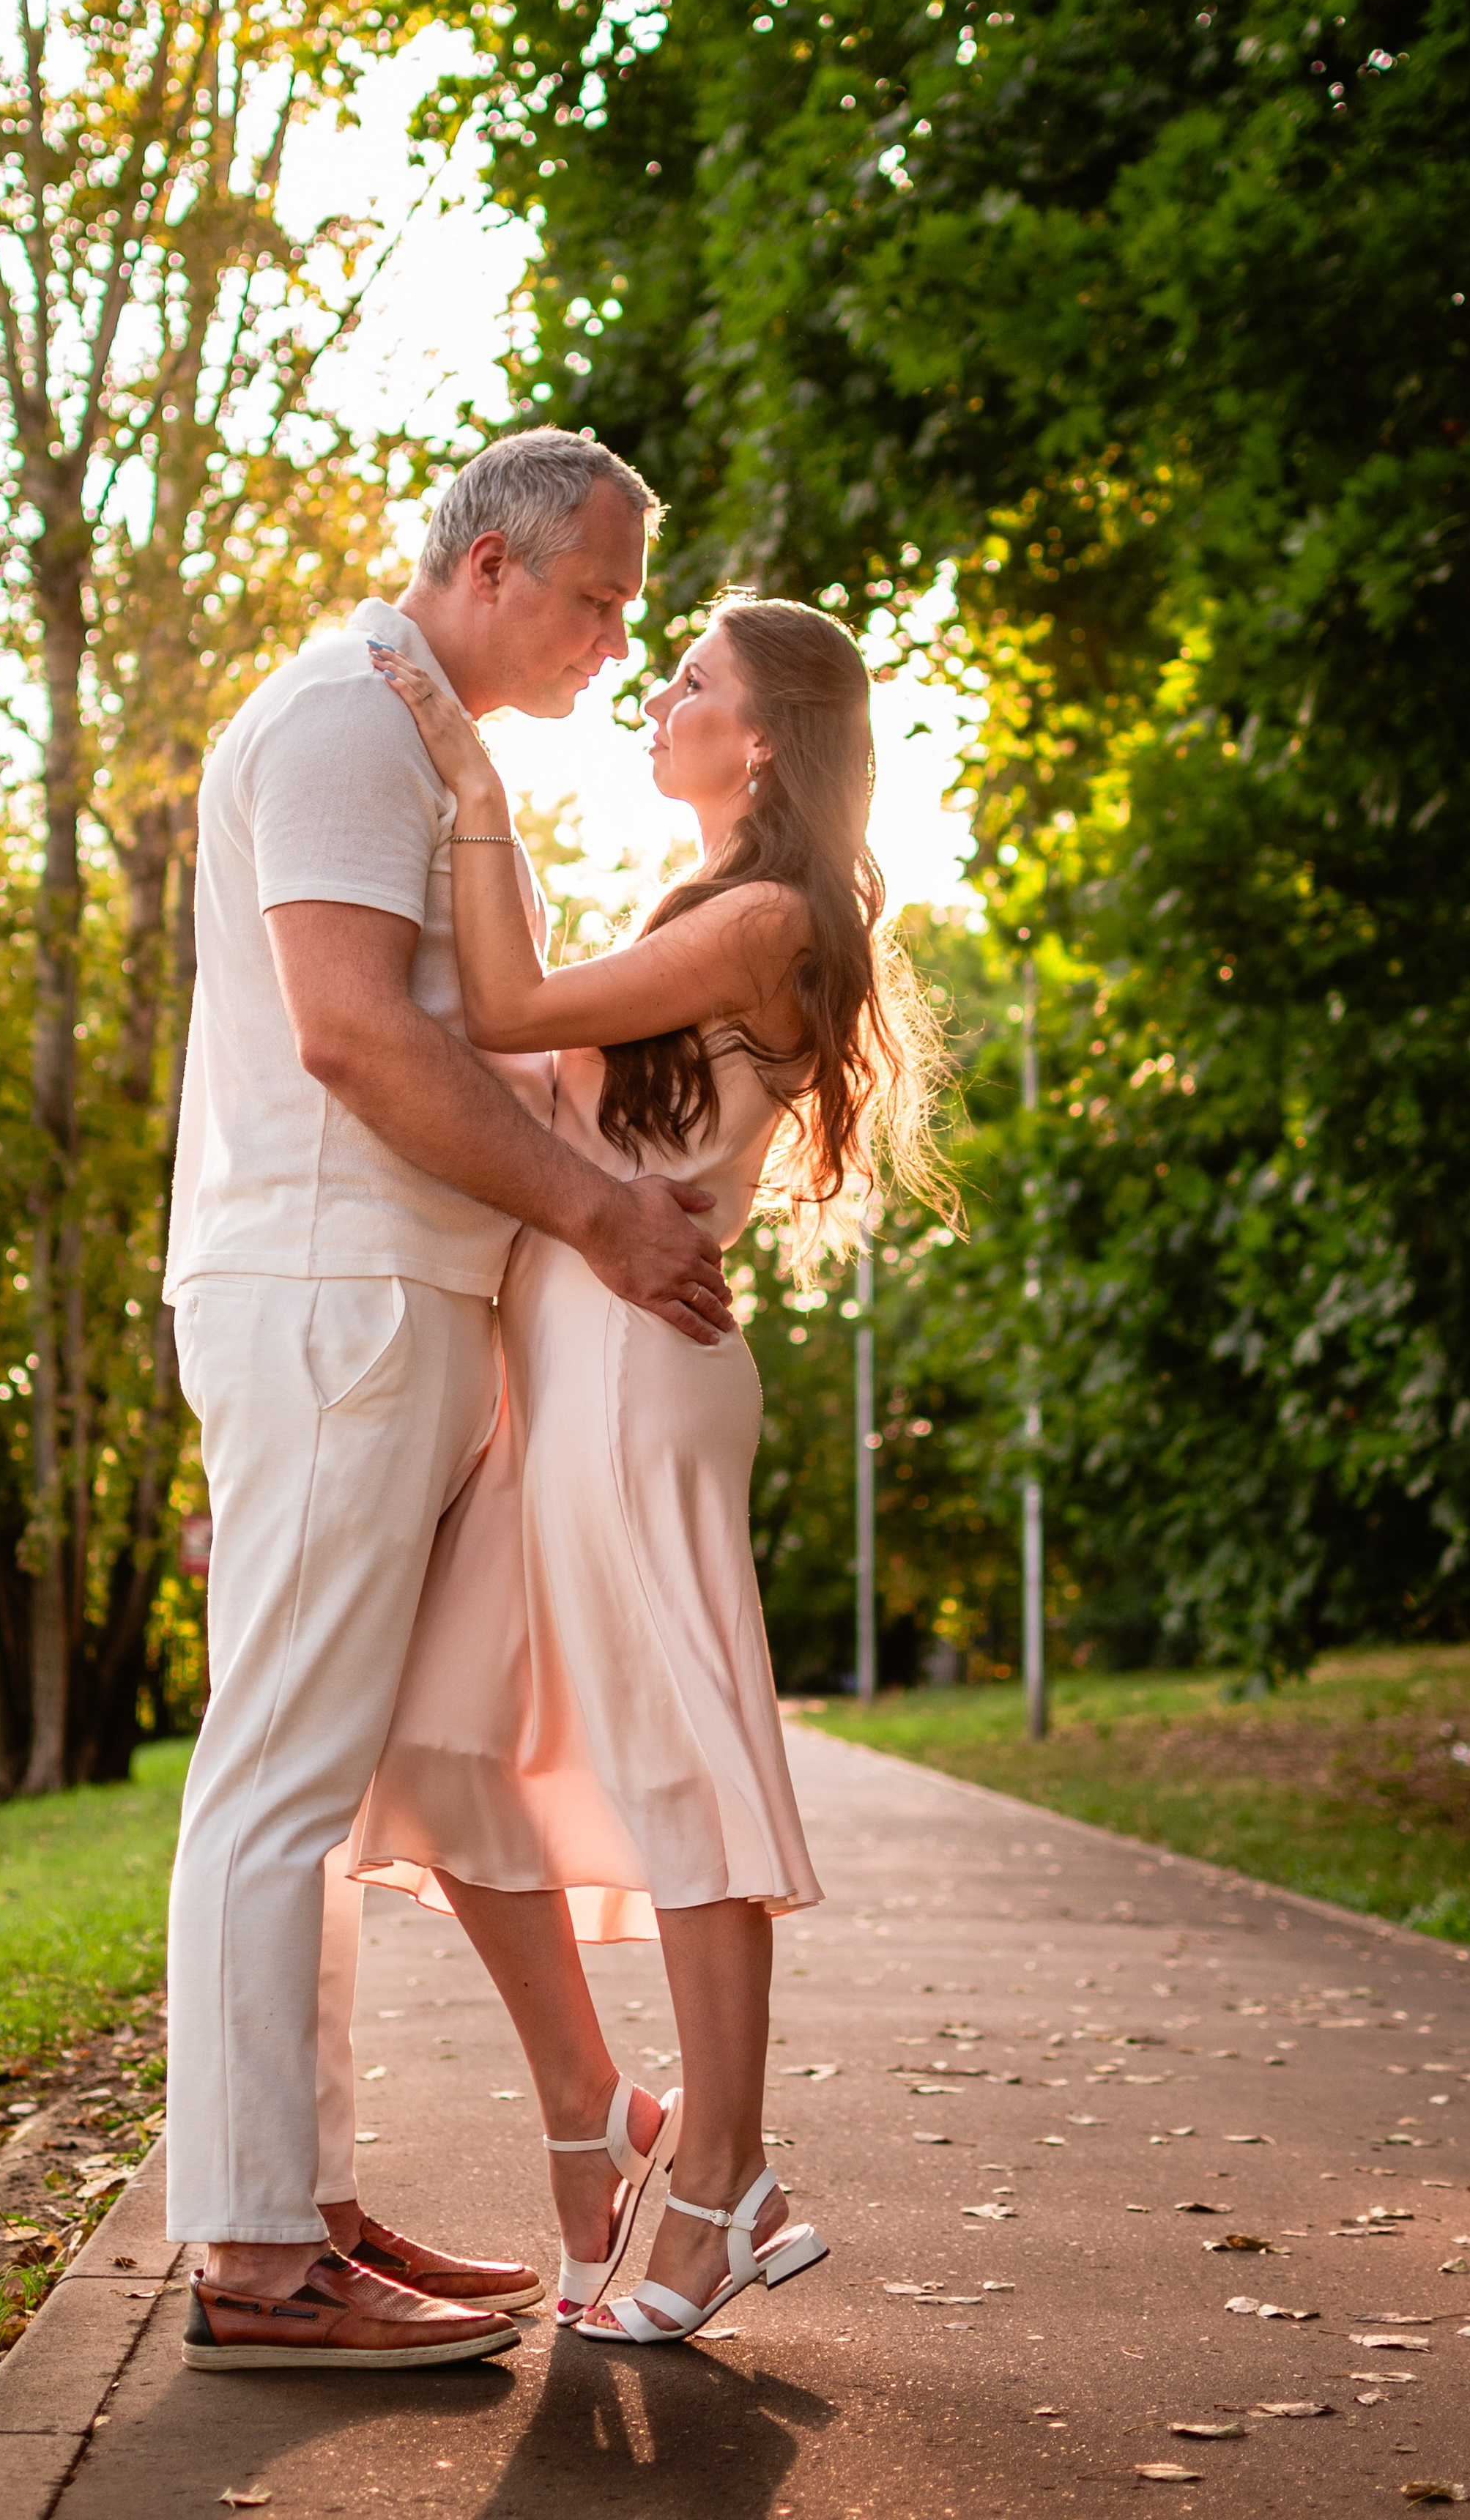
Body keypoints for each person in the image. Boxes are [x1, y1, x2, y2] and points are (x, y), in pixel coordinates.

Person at [161, 430, 740, 2371]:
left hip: (376, 1306)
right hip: (335, 1307)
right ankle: (256, 2260)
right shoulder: (344, 719)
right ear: (491, 567)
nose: (614, 637)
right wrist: (604, 1217)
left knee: (312, 1787)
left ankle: (307, 2206)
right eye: (595, 597)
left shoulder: (411, 740)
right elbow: (346, 1033)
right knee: (278, 1782)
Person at [359, 593, 951, 2346]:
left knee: (680, 1772)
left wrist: (467, 781)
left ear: (758, 740)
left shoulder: (766, 915)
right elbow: (541, 1082)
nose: (656, 697)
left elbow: (510, 1005)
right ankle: (608, 2114)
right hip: (572, 1368)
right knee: (436, 1727)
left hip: (634, 1376)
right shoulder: (704, 911)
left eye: (686, 682)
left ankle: (719, 2186)